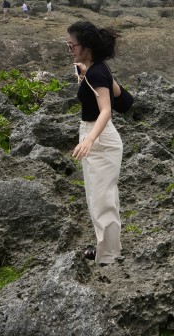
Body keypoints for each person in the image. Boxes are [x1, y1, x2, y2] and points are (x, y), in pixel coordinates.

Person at [67, 20, 125, 266]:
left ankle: (108, 257)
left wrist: (90, 139)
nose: (70, 50)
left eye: (72, 45)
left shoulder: (98, 72)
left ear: (86, 45)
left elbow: (105, 110)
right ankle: (108, 249)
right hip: (95, 134)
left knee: (101, 200)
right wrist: (84, 77)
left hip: (99, 137)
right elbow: (120, 96)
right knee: (100, 197)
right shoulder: (94, 69)